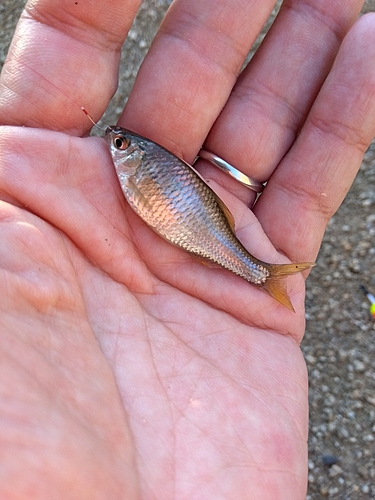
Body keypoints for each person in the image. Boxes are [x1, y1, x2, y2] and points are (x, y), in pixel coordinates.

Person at [0, 0, 374, 498]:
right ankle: (264, 275)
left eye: (121, 148)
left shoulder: (139, 167)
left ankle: (264, 274)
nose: (117, 148)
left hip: (200, 232)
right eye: (120, 146)